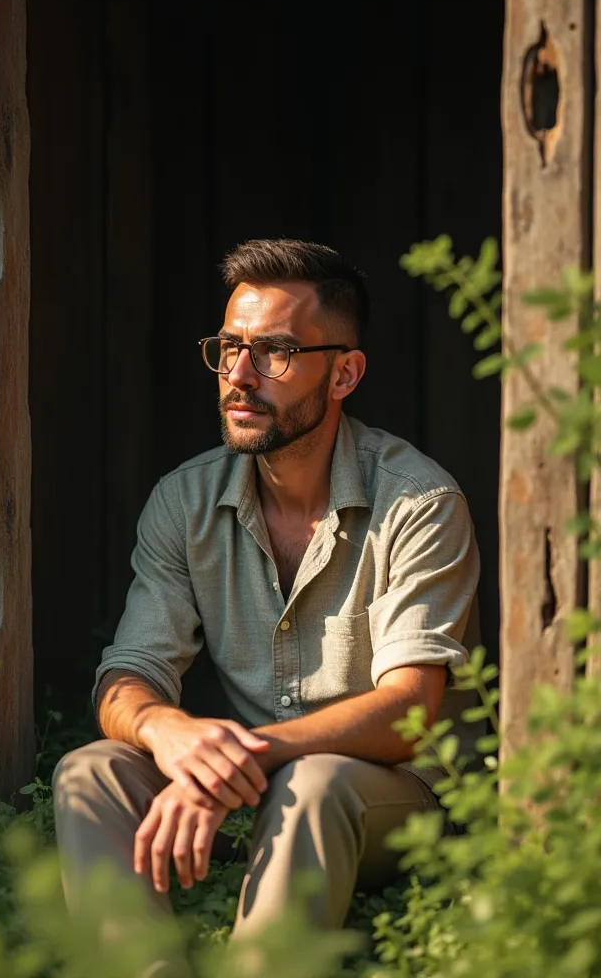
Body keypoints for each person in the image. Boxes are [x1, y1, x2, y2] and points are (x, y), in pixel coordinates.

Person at [53, 238, 480, 946]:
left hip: (390, 797)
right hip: (252, 788)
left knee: (313, 784)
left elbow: (410, 709)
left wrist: (238, 756)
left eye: (275, 351)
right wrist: (173, 734)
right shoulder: (184, 502)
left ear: (344, 374)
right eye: (228, 348)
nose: (239, 375)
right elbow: (127, 675)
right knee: (88, 773)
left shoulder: (420, 502)